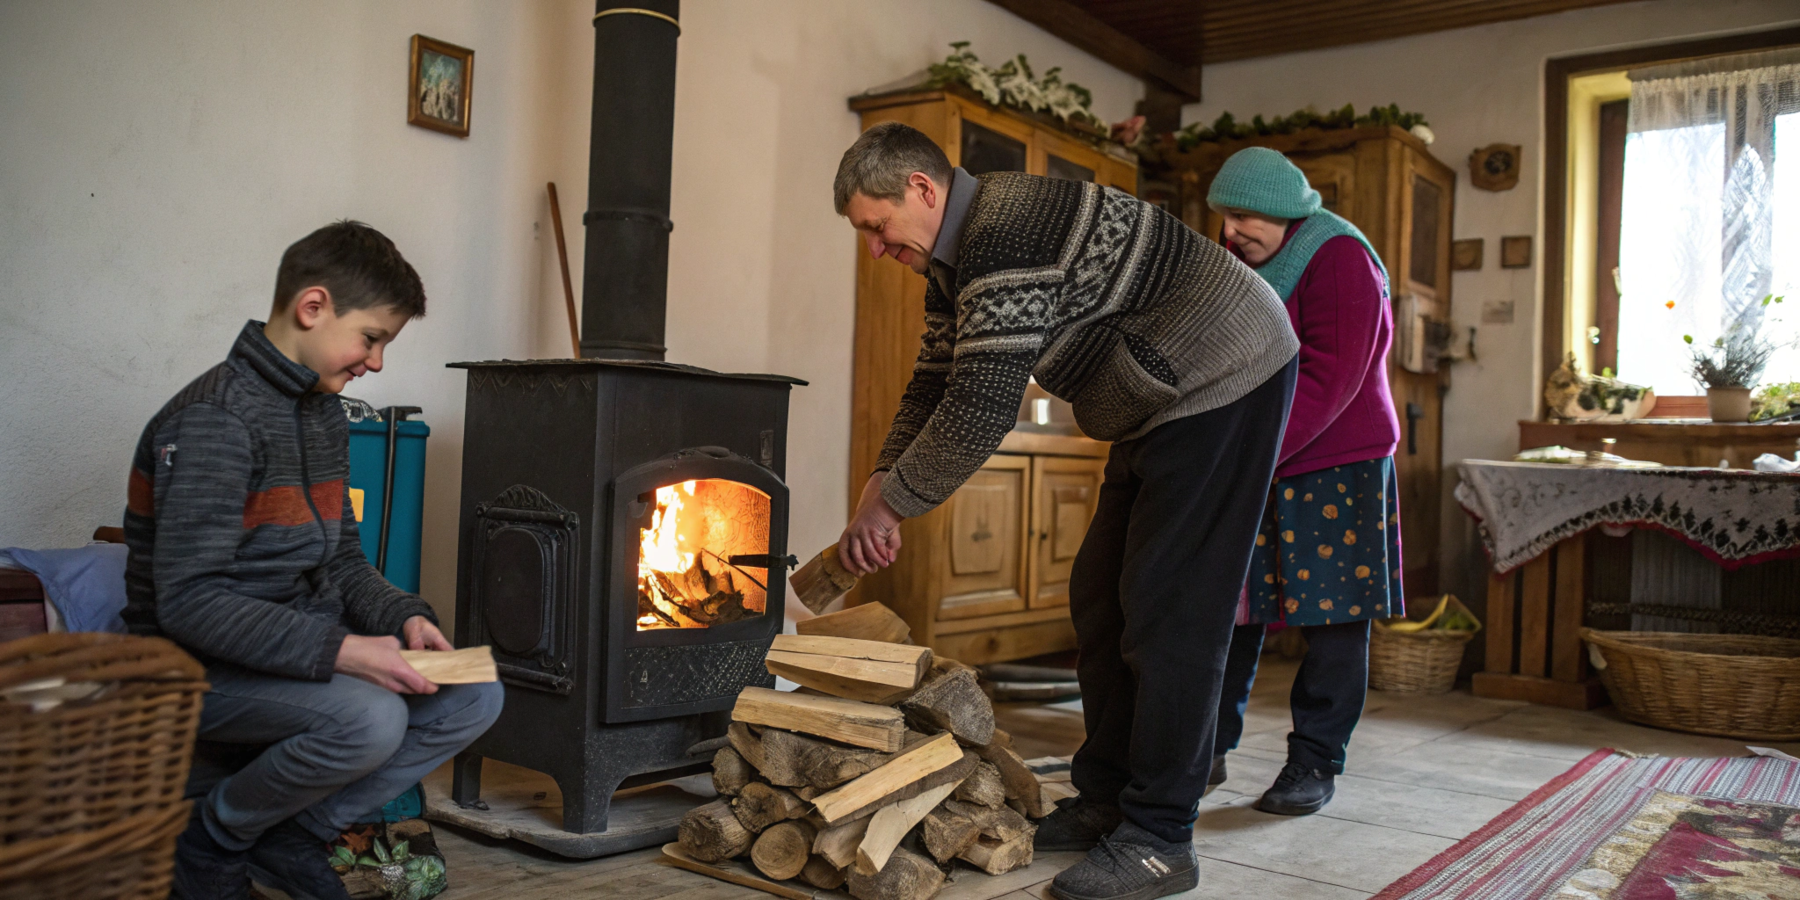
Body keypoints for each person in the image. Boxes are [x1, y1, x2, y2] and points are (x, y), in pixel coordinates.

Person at [833, 122, 1299, 900]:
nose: (875, 249)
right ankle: (1109, 800)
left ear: (921, 189)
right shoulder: (956, 263)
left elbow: (982, 404)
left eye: (875, 228)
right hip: (1160, 395)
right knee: (1100, 593)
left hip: (1229, 371)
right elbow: (933, 383)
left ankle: (1159, 838)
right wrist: (879, 484)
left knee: (1170, 606)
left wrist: (896, 507)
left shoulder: (1006, 231)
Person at [123, 221, 503, 900]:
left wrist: (406, 618)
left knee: (477, 690)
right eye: (372, 338)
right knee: (371, 716)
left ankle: (292, 835)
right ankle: (212, 839)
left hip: (294, 660)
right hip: (195, 673)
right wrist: (345, 653)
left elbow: (344, 559)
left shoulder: (323, 415)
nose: (377, 362)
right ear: (313, 307)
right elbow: (190, 602)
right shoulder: (213, 420)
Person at [1204, 148, 1404, 816]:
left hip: (1336, 460)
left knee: (1335, 620)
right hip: (1264, 459)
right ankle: (1206, 752)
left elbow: (1332, 379)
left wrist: (1250, 456)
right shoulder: (1245, 265)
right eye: (1225, 217)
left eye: (1243, 216)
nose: (1231, 231)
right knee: (1233, 617)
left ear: (1285, 212)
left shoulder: (1339, 255)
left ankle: (1313, 763)